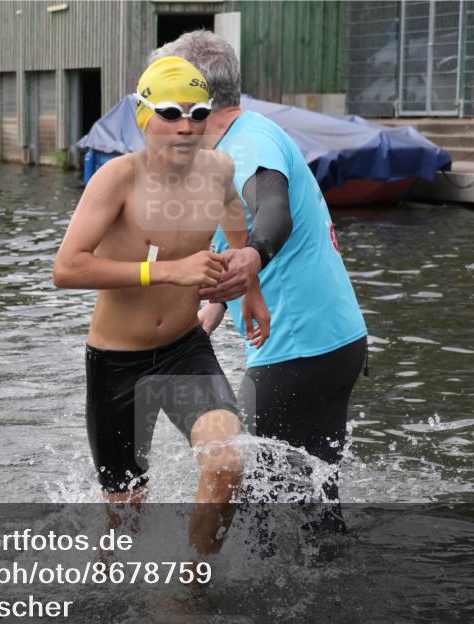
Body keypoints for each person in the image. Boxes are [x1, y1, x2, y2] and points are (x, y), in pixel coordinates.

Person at [53, 57, 268, 554]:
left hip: (183, 351)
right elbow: (66, 269)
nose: (186, 126)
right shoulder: (116, 179)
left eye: (198, 113)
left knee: (228, 462)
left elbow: (236, 223)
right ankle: (109, 603)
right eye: (171, 112)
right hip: (116, 364)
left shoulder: (219, 169)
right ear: (144, 116)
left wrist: (250, 288)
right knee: (126, 517)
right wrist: (167, 271)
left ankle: (192, 591)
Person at [152, 32, 369, 503]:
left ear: (194, 98)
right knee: (311, 501)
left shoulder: (244, 145)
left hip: (297, 351)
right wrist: (206, 317)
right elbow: (233, 242)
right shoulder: (243, 136)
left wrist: (252, 258)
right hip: (334, 341)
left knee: (245, 491)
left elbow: (273, 213)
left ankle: (237, 579)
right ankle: (332, 574)